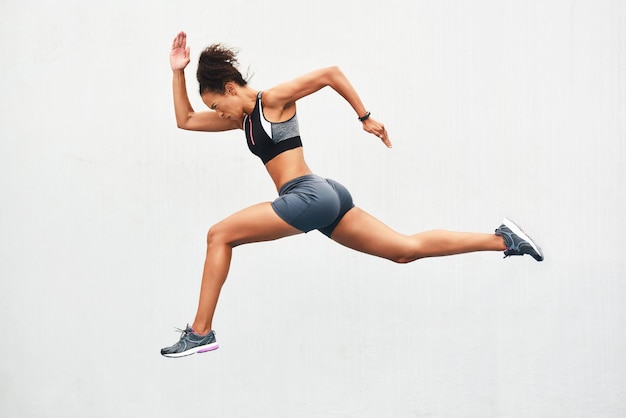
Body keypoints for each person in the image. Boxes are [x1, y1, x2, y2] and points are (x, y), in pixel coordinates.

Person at [161, 31, 543, 358]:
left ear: (230, 89)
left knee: (219, 234)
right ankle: (503, 240)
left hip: (308, 195)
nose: (219, 113)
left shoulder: (272, 101)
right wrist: (178, 72)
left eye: (216, 105)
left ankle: (201, 332)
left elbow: (330, 74)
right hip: (326, 195)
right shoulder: (243, 120)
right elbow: (186, 120)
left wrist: (364, 117)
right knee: (403, 250)